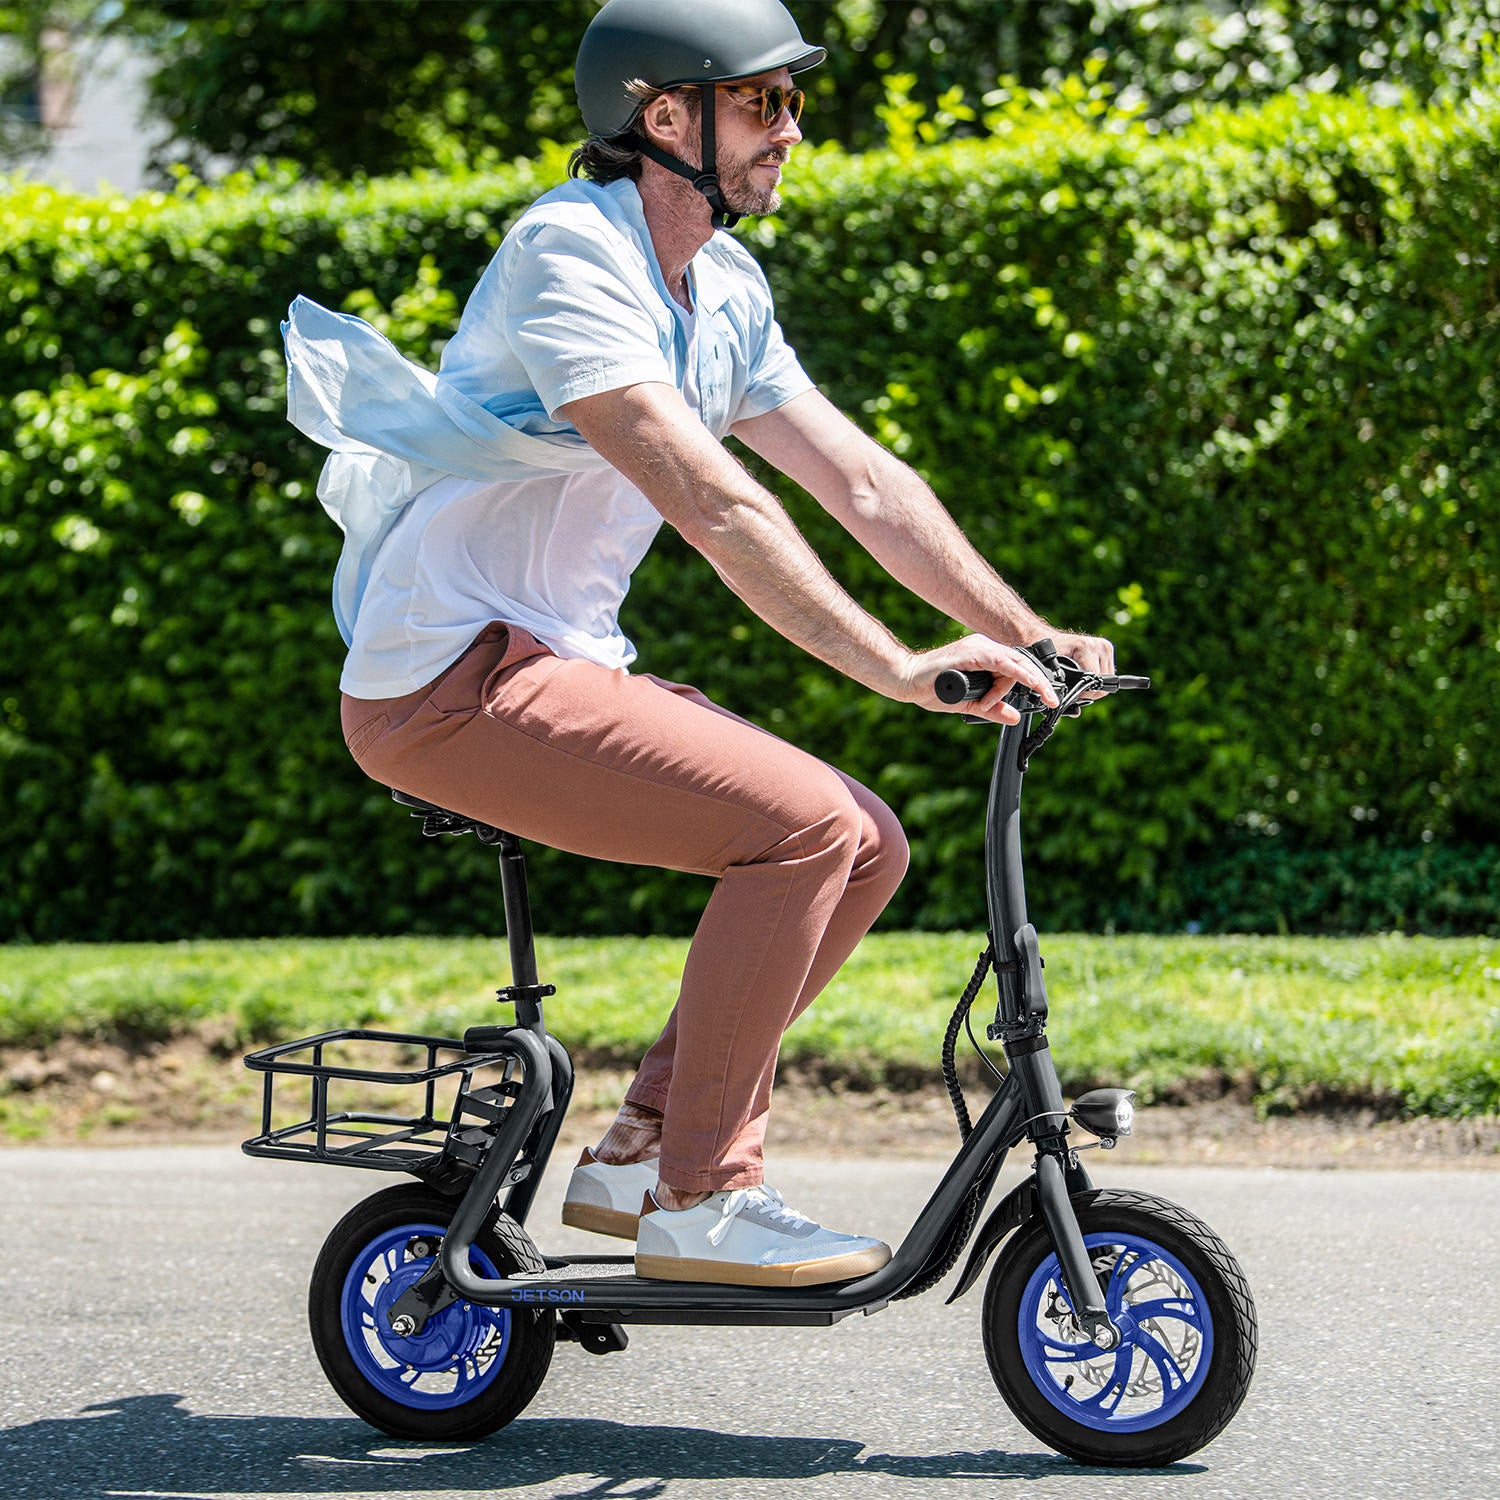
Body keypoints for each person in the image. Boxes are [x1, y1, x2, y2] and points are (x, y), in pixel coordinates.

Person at [282, 0, 1113, 1289]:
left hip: (556, 660)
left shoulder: (724, 286)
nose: (792, 132)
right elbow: (714, 501)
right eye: (764, 104)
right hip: (447, 680)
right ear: (663, 118)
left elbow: (867, 484)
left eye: (794, 103)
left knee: (868, 843)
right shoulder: (571, 256)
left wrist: (1026, 630)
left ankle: (640, 1151)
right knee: (805, 830)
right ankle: (701, 1197)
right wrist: (897, 666)